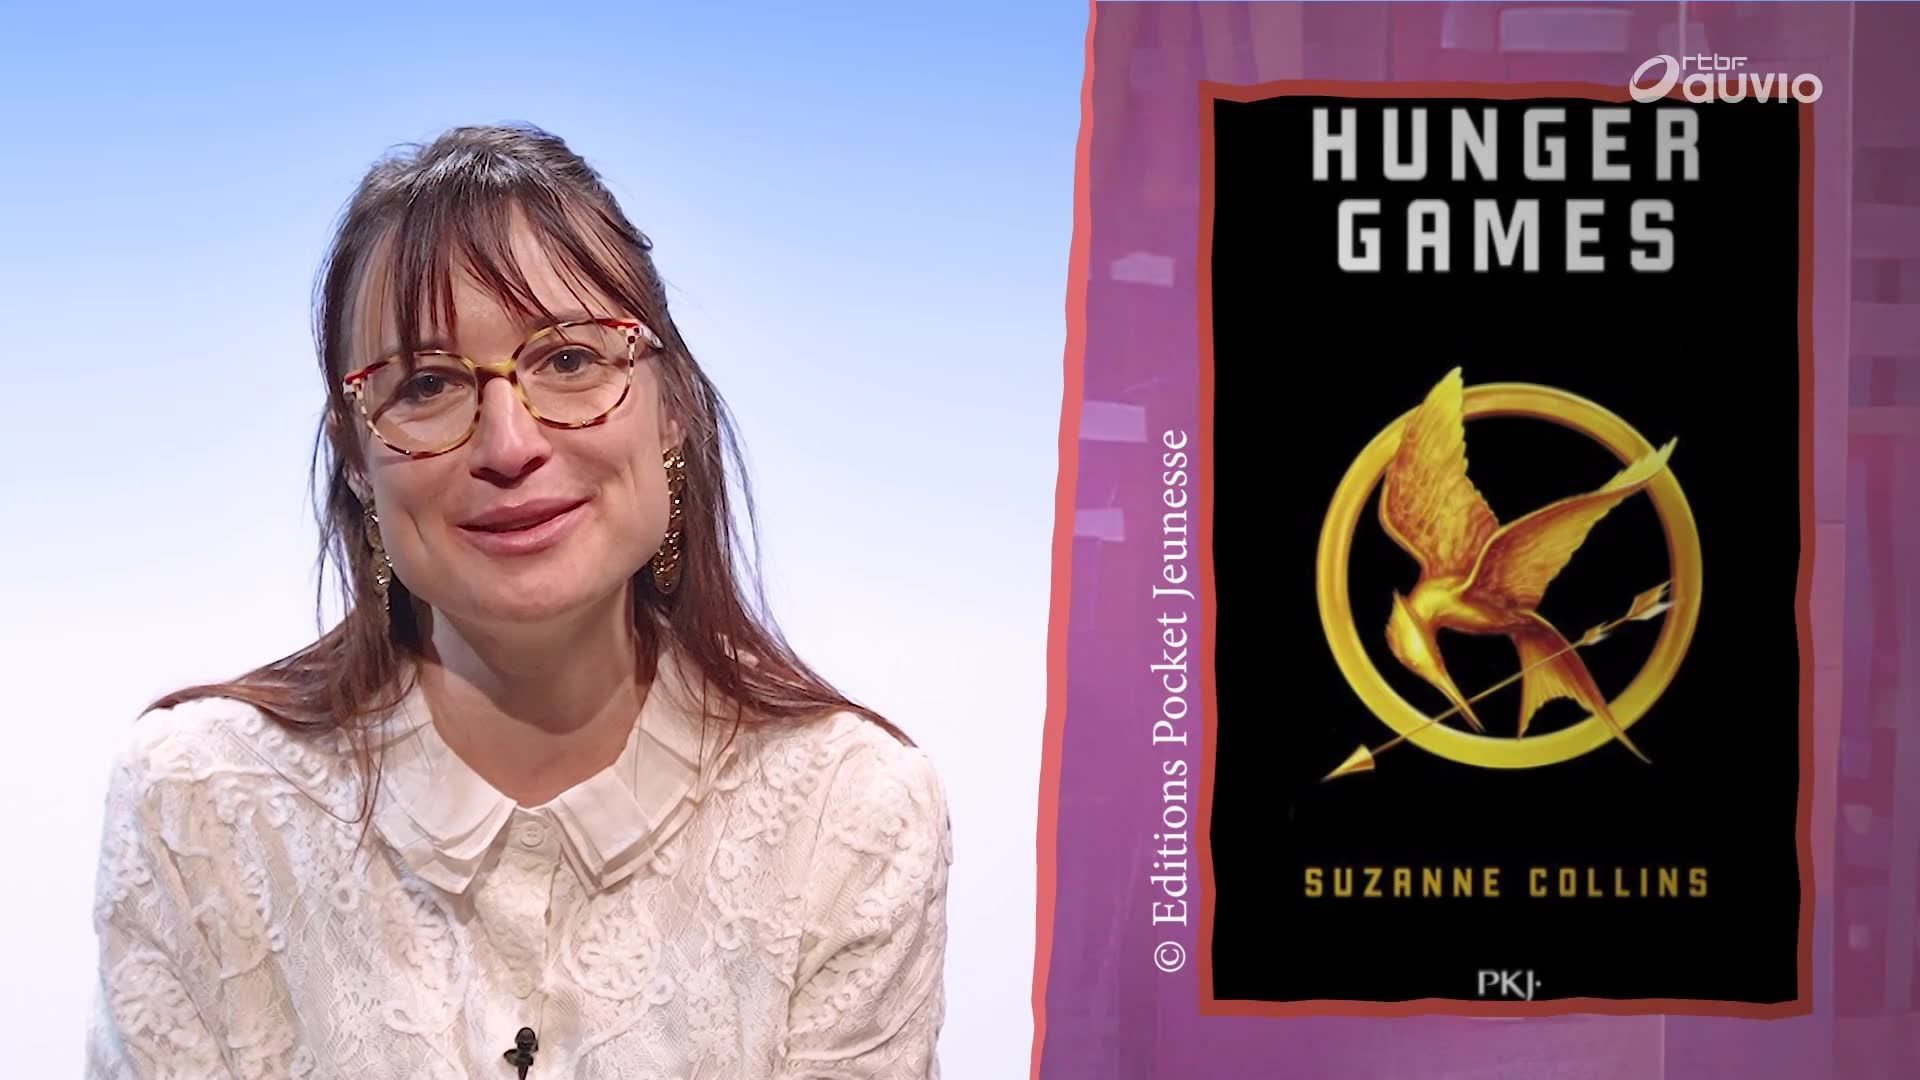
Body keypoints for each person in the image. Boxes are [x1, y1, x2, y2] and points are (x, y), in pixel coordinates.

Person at [85, 123, 952, 1079]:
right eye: (427, 384)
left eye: (569, 361)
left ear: (671, 405)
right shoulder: (196, 804)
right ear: (357, 460)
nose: (509, 444)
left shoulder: (849, 814)